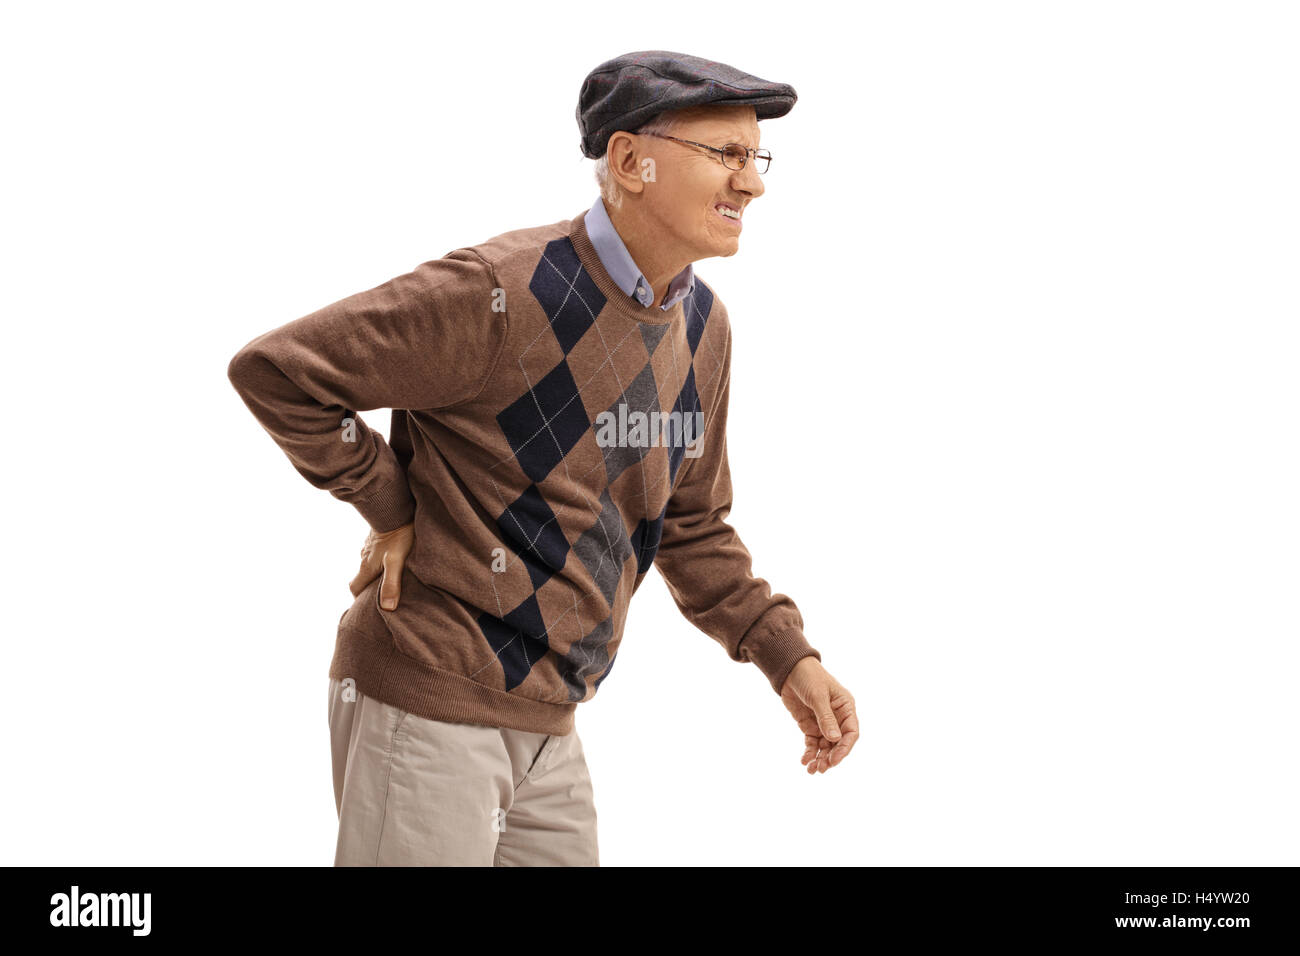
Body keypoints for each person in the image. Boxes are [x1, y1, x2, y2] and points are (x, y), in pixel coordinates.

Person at [227, 49, 858, 867]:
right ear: (632, 161)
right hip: (425, 697)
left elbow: (692, 527)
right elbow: (280, 373)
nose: (753, 183)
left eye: (755, 157)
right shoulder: (501, 292)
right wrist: (393, 505)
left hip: (551, 727)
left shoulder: (704, 328)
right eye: (726, 155)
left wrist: (788, 657)